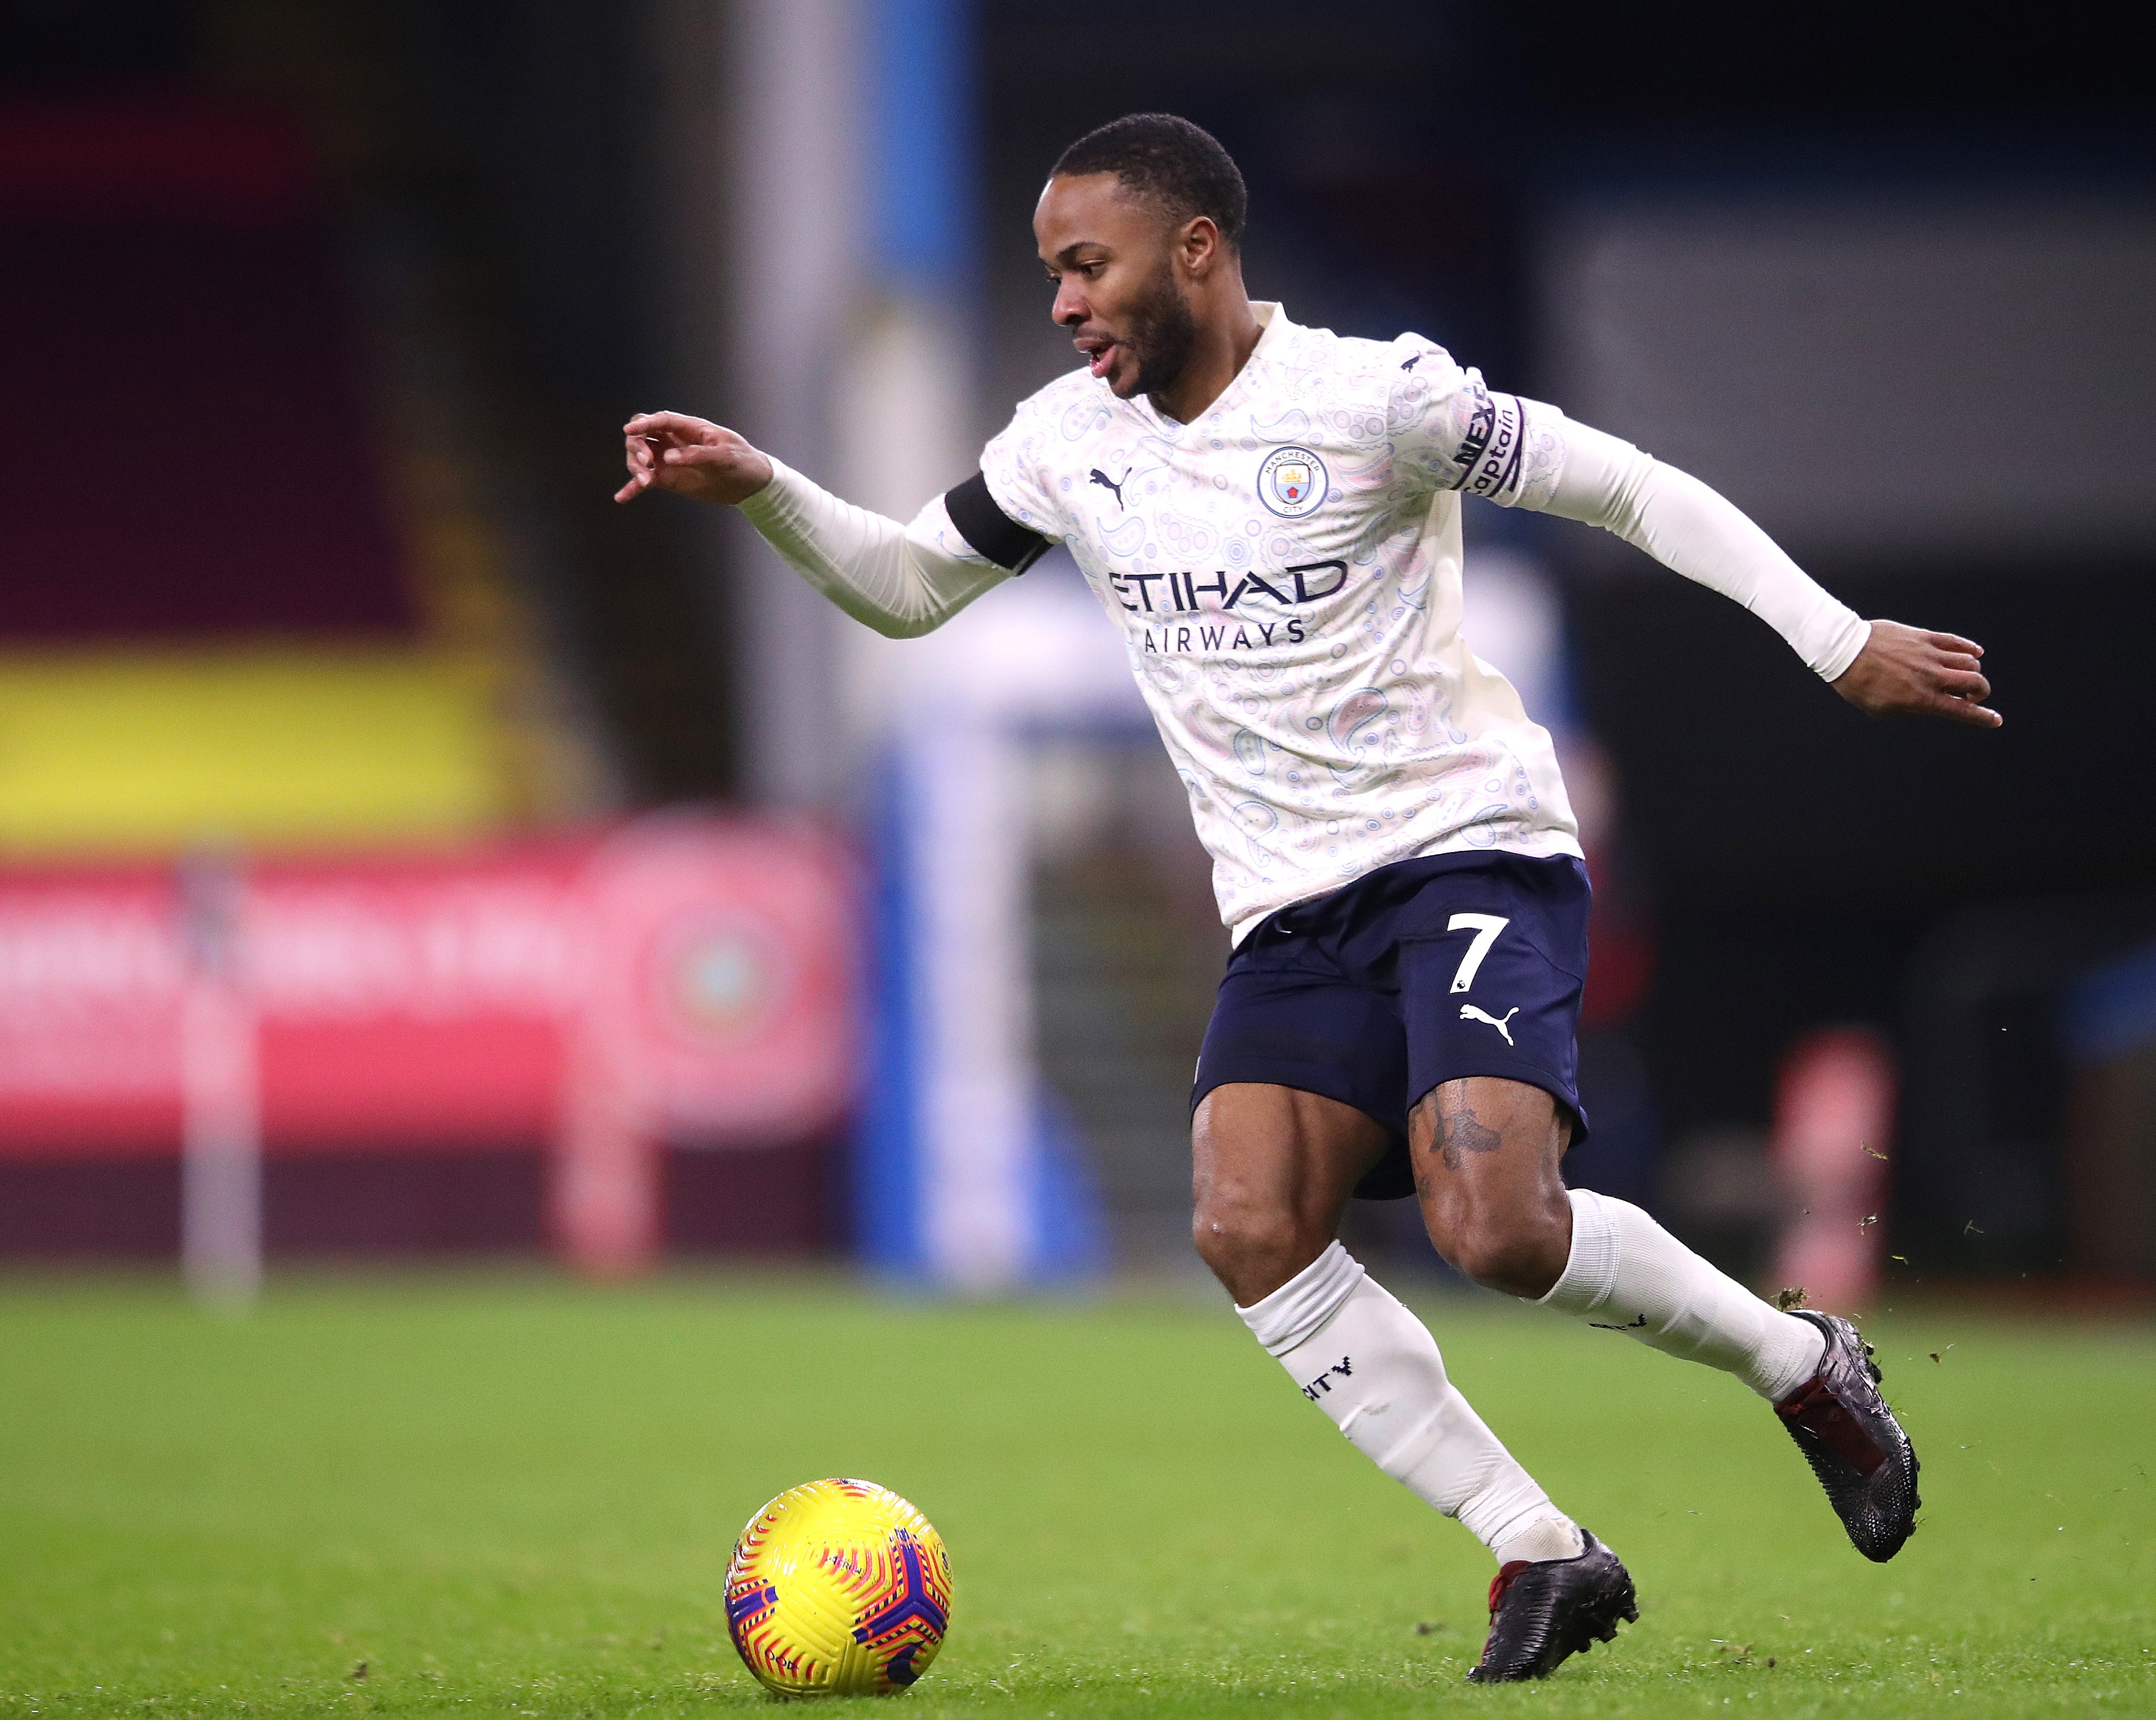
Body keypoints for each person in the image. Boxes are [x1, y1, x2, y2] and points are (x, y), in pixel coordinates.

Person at [618, 113, 1994, 1684]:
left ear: (1194, 249)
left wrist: (1836, 641)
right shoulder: (1069, 442)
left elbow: (1631, 488)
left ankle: (1801, 1363)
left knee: (1496, 1226)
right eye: (1050, 274)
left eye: (1088, 265)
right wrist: (767, 490)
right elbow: (911, 585)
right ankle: (1540, 1549)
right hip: (1288, 908)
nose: (1064, 302)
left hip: (1470, 850)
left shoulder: (1377, 399)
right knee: (1246, 1220)